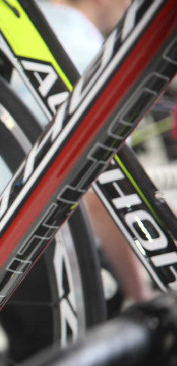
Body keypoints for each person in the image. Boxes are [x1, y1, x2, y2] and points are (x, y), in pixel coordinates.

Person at [40, 0, 155, 305]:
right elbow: (99, 194)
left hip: (10, 265)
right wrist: (140, 294)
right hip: (70, 271)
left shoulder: (37, 29)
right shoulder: (89, 54)